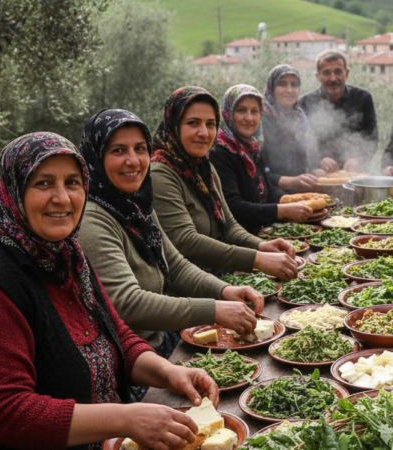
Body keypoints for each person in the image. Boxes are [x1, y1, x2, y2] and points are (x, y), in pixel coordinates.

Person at [0, 132, 220, 449]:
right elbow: (6, 411)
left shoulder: (69, 256)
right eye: (43, 183)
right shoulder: (2, 280)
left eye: (72, 182)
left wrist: (169, 373)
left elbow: (118, 336)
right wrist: (126, 419)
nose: (63, 198)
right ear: (14, 191)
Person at [78, 109, 262, 362]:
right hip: (135, 363)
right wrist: (214, 310)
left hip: (164, 343)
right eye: (118, 151)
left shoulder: (136, 205)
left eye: (140, 149)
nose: (133, 160)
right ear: (95, 156)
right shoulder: (92, 219)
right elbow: (128, 303)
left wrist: (225, 290)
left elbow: (175, 267)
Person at [150, 86, 299, 281]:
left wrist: (262, 245)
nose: (204, 132)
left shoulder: (204, 168)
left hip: (220, 277)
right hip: (191, 287)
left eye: (210, 124)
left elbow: (228, 225)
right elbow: (186, 241)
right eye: (193, 123)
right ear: (173, 124)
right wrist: (257, 259)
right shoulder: (161, 174)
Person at [211, 85, 312, 234]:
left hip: (262, 230)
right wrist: (282, 210)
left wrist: (291, 200)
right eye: (241, 110)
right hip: (239, 238)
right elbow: (233, 207)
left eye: (255, 111)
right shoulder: (219, 152)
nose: (249, 118)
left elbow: (267, 187)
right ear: (228, 113)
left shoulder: (251, 147)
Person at [299, 50, 378, 175]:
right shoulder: (305, 103)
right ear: (318, 76)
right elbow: (301, 144)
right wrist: (318, 161)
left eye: (338, 72)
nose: (333, 78)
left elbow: (372, 139)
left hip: (356, 175)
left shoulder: (363, 98)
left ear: (347, 74)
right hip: (320, 176)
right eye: (326, 73)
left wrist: (358, 160)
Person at [260, 64, 318, 191]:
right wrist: (290, 181)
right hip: (270, 194)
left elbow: (304, 157)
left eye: (294, 85)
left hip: (300, 192)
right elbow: (256, 170)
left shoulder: (300, 117)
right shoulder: (260, 119)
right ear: (271, 88)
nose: (290, 90)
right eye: (283, 84)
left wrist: (314, 170)